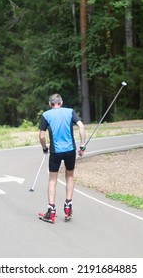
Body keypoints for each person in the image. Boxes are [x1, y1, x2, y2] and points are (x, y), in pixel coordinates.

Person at [38, 93, 86, 223]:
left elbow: (42, 136)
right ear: (61, 102)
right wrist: (82, 146)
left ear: (50, 103)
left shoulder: (45, 115)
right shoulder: (70, 112)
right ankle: (68, 206)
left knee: (52, 179)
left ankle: (51, 211)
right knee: (69, 176)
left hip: (56, 151)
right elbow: (81, 126)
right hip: (70, 150)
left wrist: (44, 148)